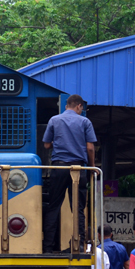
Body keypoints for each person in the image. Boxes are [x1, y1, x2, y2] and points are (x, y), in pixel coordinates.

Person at [41, 94, 97, 253]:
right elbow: (90, 148)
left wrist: (58, 143)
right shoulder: (85, 122)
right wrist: (91, 168)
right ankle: (79, 244)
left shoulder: (54, 120)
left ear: (67, 105)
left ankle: (47, 247)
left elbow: (46, 145)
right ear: (79, 106)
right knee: (78, 208)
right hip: (78, 169)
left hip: (59, 168)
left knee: (53, 206)